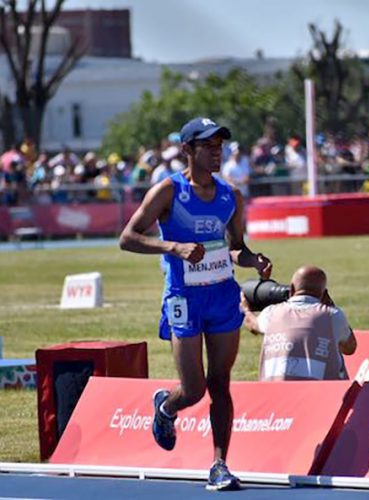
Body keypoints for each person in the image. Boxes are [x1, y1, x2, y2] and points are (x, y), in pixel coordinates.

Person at [119, 116, 272, 491]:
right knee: (194, 389)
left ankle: (220, 465)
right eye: (208, 146)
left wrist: (254, 260)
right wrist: (174, 247)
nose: (217, 153)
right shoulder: (168, 191)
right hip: (184, 297)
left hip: (222, 295)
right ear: (187, 149)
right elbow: (128, 237)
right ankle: (166, 406)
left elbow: (236, 247)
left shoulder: (231, 195)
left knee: (220, 382)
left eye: (220, 146)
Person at [240, 265, 356, 382]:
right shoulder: (332, 316)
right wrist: (331, 306)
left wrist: (246, 309)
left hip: (274, 389)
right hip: (320, 391)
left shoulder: (271, 313)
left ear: (291, 289)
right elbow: (350, 348)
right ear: (325, 294)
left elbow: (252, 325)